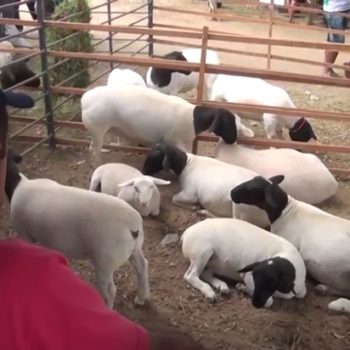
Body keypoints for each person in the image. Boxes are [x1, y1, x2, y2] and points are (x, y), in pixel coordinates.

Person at [0, 89, 208, 350]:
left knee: (121, 268)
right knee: (135, 259)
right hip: (127, 224)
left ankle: (114, 302)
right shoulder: (34, 274)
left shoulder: (24, 251)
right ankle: (114, 305)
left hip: (122, 225)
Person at [323, 0, 350, 77]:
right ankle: (326, 70)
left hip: (341, 7)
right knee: (336, 41)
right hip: (335, 9)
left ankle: (328, 68)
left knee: (335, 40)